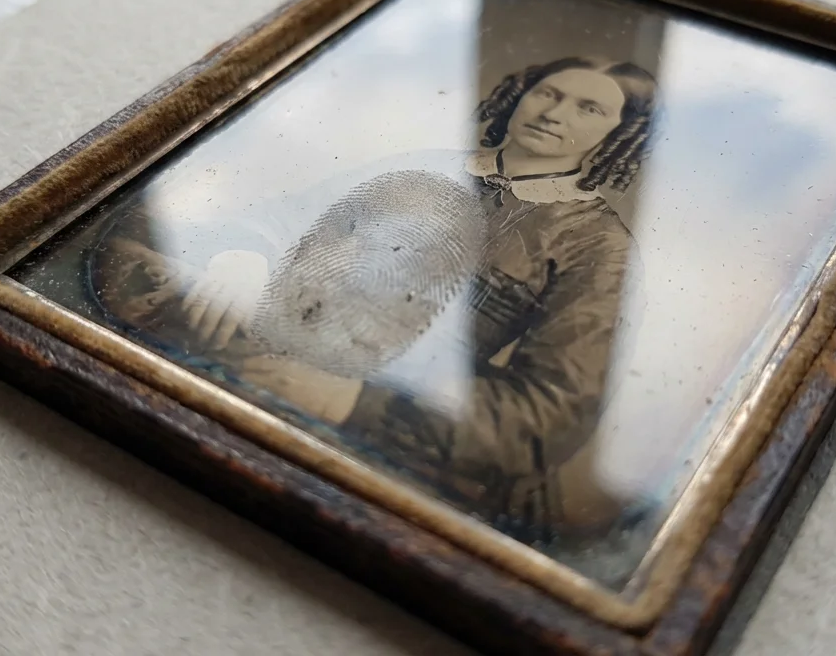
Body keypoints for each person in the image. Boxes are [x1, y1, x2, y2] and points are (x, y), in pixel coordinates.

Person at [84, 57, 659, 543]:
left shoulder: (595, 244)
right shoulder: (425, 166)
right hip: (264, 348)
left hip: (393, 433)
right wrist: (247, 255)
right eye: (548, 93)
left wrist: (353, 402)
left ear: (617, 134)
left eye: (589, 109)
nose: (555, 113)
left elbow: (550, 412)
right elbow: (279, 217)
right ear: (520, 96)